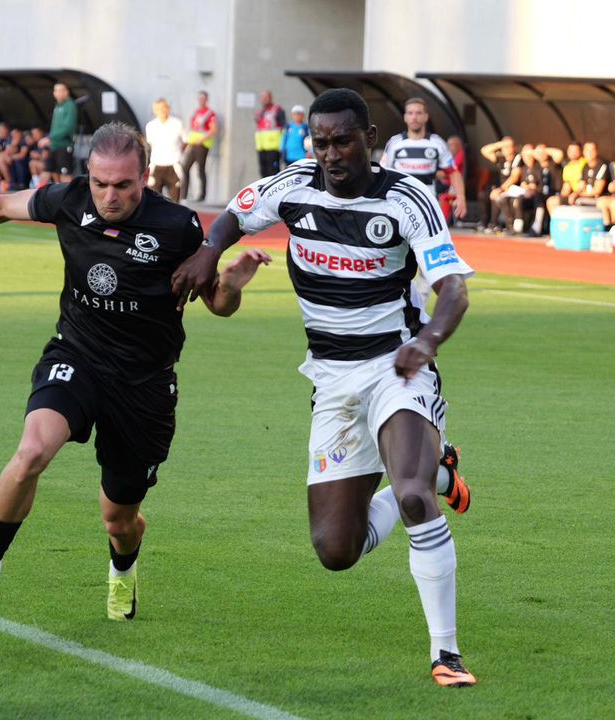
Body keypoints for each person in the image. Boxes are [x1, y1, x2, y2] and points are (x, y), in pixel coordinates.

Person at [0, 122, 262, 624]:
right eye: (100, 183)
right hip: (78, 356)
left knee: (119, 519)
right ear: (87, 175)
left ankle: (122, 571)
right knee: (30, 453)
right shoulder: (70, 199)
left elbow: (216, 305)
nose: (109, 196)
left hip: (144, 384)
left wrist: (232, 282)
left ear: (145, 178)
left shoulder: (178, 227)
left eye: (123, 185)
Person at [176, 88, 478, 687]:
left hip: (398, 365)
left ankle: (446, 654)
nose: (332, 153)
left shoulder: (407, 198)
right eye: (322, 142)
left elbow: (454, 289)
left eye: (344, 140)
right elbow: (237, 212)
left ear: (369, 139)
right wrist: (210, 251)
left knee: (413, 497)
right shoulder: (293, 185)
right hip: (332, 377)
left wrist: (428, 342)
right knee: (336, 549)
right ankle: (439, 470)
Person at [379, 97, 467, 218]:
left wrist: (461, 197)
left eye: (418, 113)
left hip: (427, 203)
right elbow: (383, 173)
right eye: (410, 113)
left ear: (426, 117)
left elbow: (453, 172)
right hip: (399, 203)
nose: (414, 117)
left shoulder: (437, 143)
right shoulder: (394, 142)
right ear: (405, 117)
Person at [181, 90, 218, 202]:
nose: (201, 100)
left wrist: (201, 140)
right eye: (199, 98)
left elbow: (213, 130)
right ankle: (184, 194)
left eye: (203, 98)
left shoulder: (210, 114)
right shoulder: (196, 112)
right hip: (193, 143)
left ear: (206, 100)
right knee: (185, 167)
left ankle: (202, 195)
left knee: (200, 169)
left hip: (202, 145)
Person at [145, 98, 184, 203]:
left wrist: (181, 157)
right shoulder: (150, 126)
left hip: (173, 166)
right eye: (158, 108)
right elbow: (150, 146)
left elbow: (185, 141)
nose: (162, 111)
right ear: (154, 110)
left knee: (175, 202)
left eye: (164, 107)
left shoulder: (177, 124)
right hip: (157, 166)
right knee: (154, 201)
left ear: (168, 108)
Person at [479, 136, 522, 230]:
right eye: (504, 147)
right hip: (503, 187)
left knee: (498, 195)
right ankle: (487, 222)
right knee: (484, 194)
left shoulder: (518, 158)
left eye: (509, 147)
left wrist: (501, 189)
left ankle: (508, 225)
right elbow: (484, 150)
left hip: (515, 188)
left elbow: (514, 177)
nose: (506, 149)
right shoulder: (501, 157)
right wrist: (501, 144)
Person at [45, 82, 78, 184]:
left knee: (65, 174)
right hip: (54, 145)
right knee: (52, 172)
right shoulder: (57, 106)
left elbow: (68, 127)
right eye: (55, 90)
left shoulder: (70, 105)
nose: (57, 93)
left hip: (64, 145)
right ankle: (57, 196)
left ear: (66, 92)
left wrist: (50, 137)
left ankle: (69, 197)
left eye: (60, 90)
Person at [254, 90, 286, 177]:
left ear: (270, 98)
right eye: (262, 97)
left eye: (266, 97)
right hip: (261, 147)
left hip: (273, 147)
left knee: (273, 172)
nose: (264, 99)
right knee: (263, 172)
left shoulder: (277, 110)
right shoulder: (260, 112)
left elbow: (283, 127)